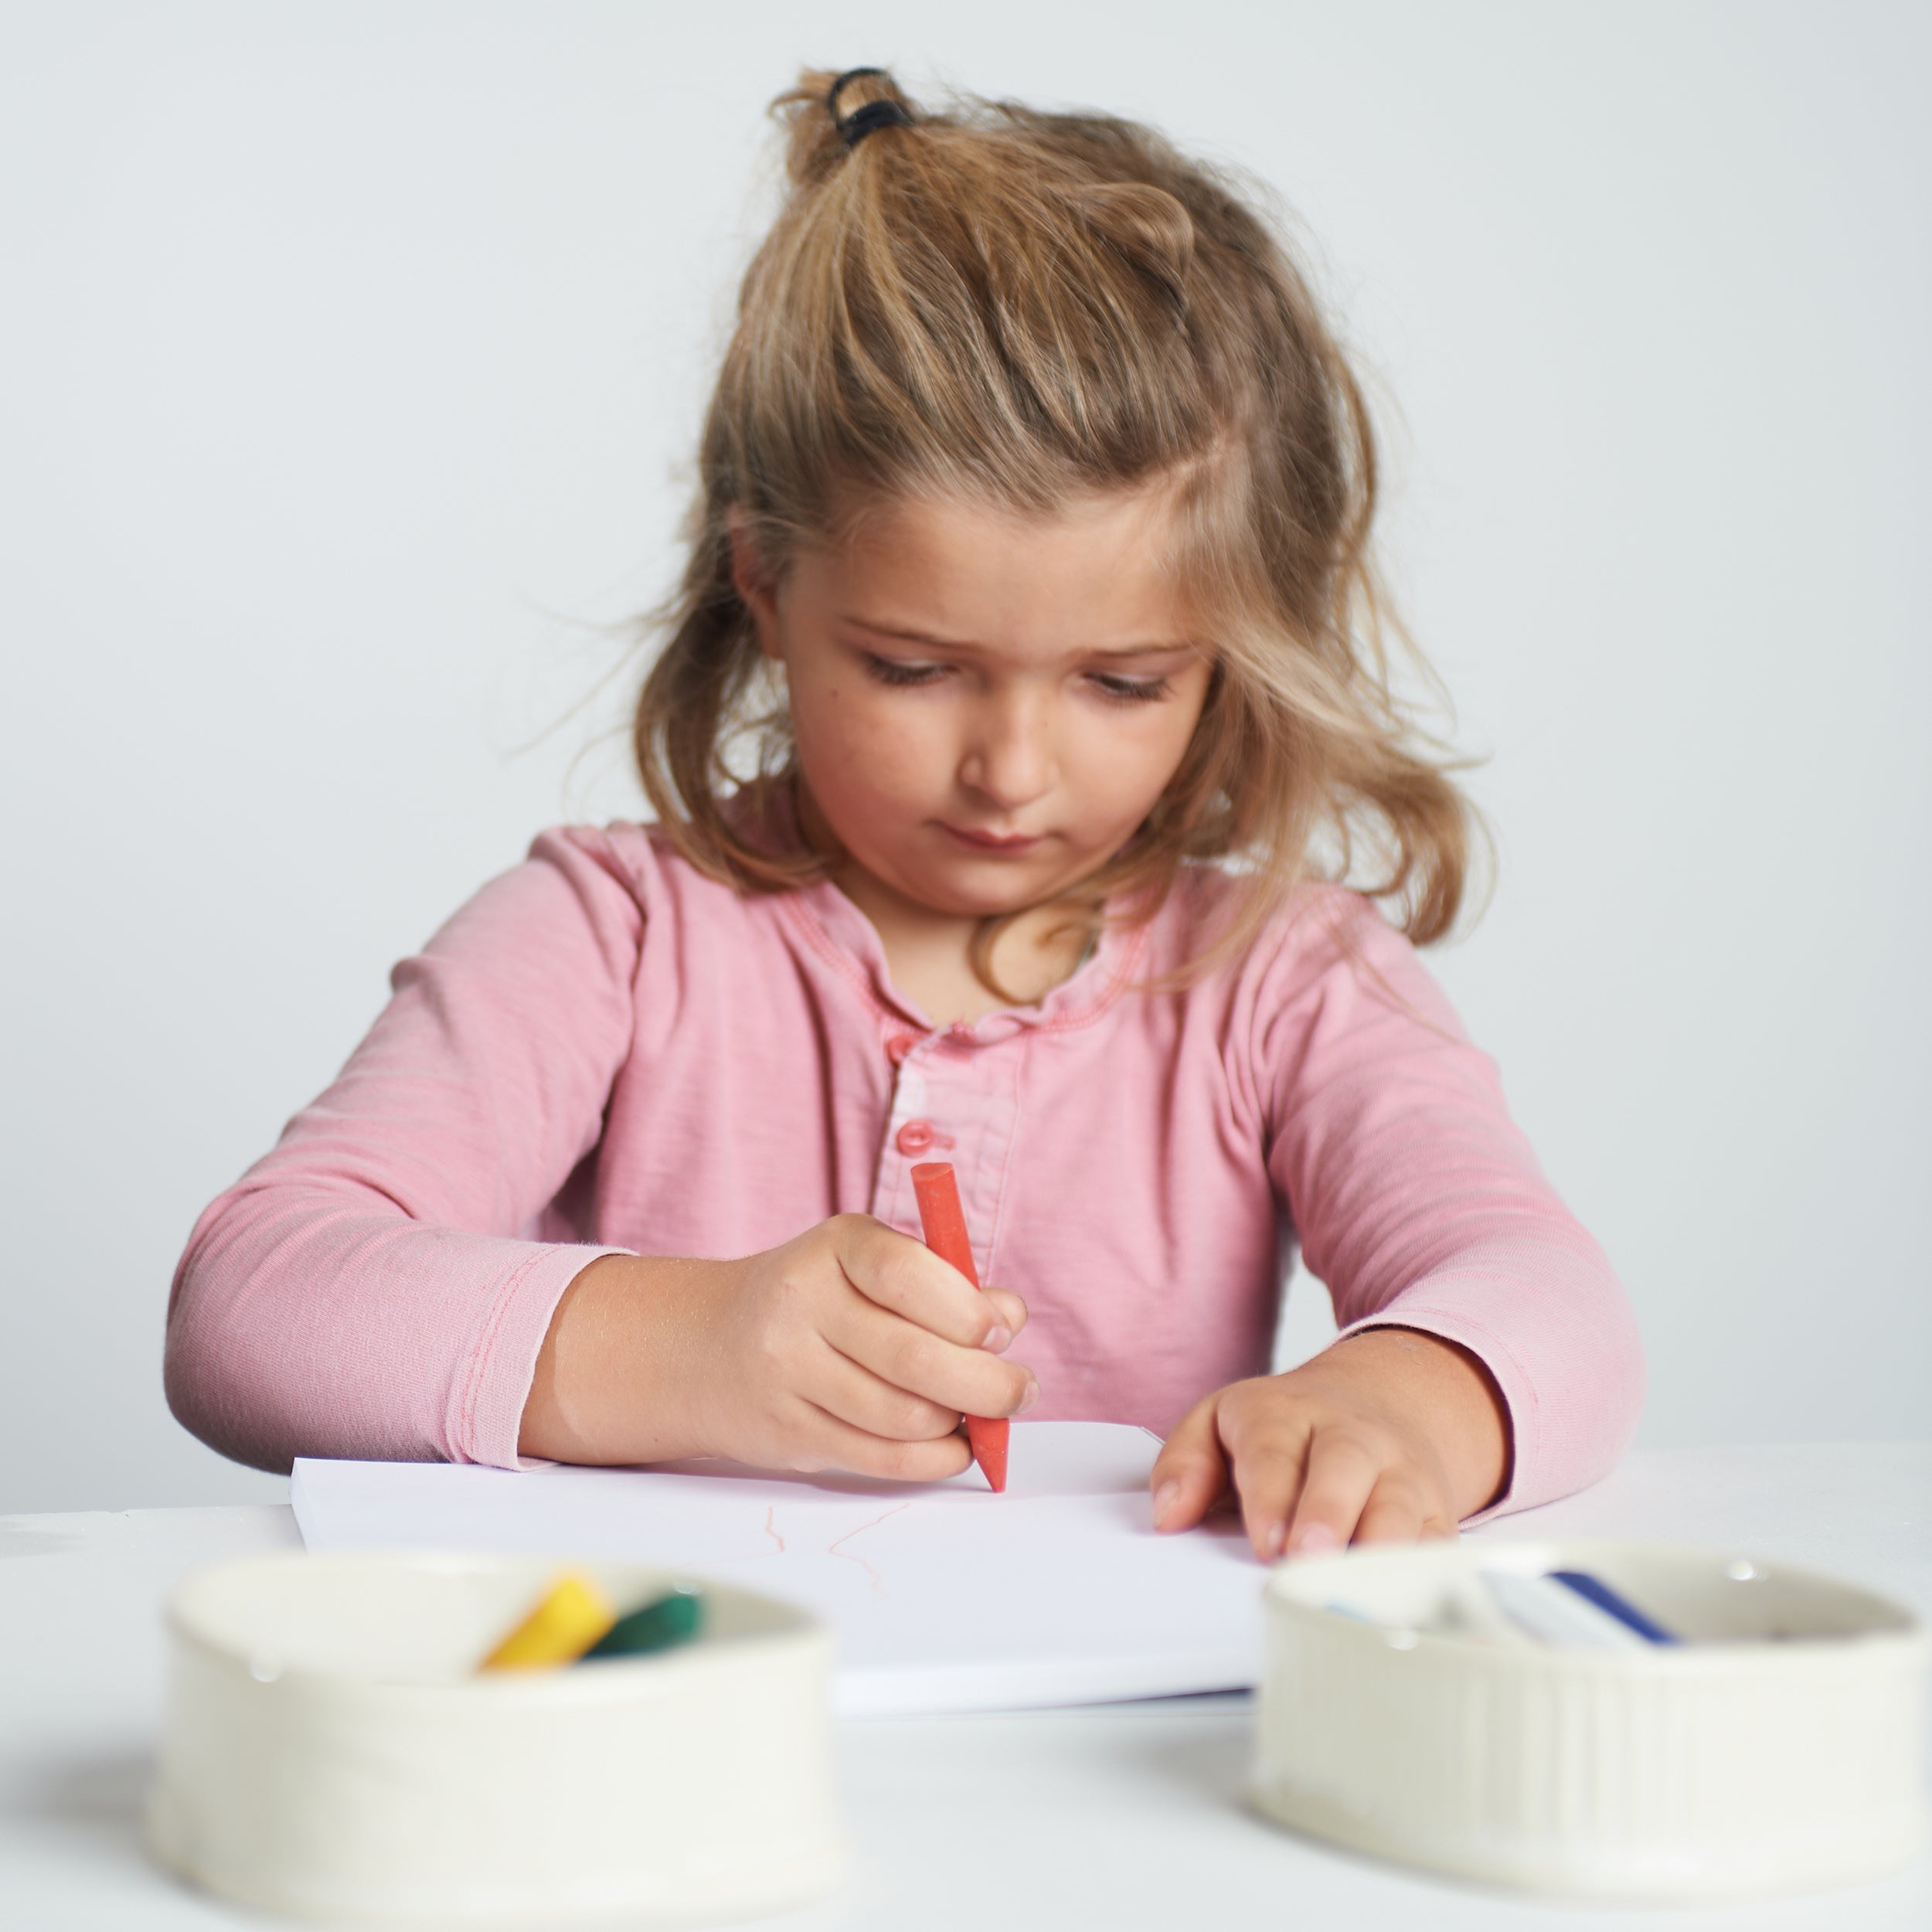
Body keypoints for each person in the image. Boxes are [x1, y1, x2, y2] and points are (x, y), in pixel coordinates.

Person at [165, 68, 1642, 1560]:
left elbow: (1550, 1299)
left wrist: (1408, 1398)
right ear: (765, 584)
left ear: (1233, 654)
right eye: (916, 668)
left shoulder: (1283, 981)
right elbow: (249, 1305)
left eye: (1123, 682)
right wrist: (687, 1345)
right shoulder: (610, 938)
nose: (1011, 768)